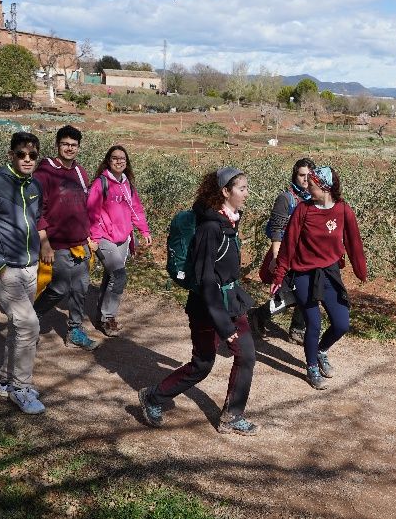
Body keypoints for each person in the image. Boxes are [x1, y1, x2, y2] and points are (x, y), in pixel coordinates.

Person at [139, 167, 259, 435]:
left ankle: (231, 415)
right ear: (225, 192)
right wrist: (224, 327)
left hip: (231, 300)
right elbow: (206, 281)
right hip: (208, 307)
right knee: (203, 363)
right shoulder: (209, 229)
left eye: (246, 188)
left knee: (247, 355)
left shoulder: (231, 222)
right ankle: (154, 396)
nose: (246, 194)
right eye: (242, 189)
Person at [271, 166, 367, 390]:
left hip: (330, 272)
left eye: (312, 185)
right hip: (304, 273)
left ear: (324, 188)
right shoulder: (303, 210)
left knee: (342, 324)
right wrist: (279, 276)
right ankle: (312, 366)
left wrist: (360, 270)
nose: (307, 187)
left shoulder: (343, 210)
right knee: (313, 324)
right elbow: (288, 245)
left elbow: (354, 243)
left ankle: (321, 350)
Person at [0, 132, 46, 414]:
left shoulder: (34, 185)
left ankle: (6, 379)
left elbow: (34, 222)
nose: (27, 159)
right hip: (5, 270)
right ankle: (21, 388)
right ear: (10, 155)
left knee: (18, 327)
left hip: (30, 266)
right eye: (21, 154)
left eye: (32, 155)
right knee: (29, 325)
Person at [32, 125, 99, 350]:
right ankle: (33, 317)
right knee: (59, 288)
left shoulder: (81, 172)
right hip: (56, 243)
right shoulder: (45, 173)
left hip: (80, 242)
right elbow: (37, 210)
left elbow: (85, 206)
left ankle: (75, 331)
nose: (69, 148)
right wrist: (44, 244)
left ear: (78, 147)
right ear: (57, 145)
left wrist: (89, 235)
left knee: (80, 287)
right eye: (65, 144)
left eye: (74, 145)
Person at [86, 145, 152, 335]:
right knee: (119, 275)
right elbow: (92, 212)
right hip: (104, 237)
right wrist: (95, 238)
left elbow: (136, 210)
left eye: (122, 158)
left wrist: (144, 230)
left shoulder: (127, 184)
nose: (119, 161)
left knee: (111, 276)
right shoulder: (101, 183)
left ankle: (101, 316)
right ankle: (108, 318)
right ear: (108, 160)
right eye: (115, 158)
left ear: (127, 162)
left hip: (123, 238)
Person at [248, 158, 315, 344]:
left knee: (309, 290)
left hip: (307, 255)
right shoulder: (286, 198)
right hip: (286, 254)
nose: (305, 179)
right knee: (289, 295)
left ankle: (297, 329)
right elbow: (277, 230)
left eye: (309, 176)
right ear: (295, 175)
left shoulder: (313, 199)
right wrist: (276, 257)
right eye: (302, 175)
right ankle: (258, 315)